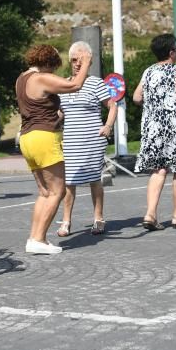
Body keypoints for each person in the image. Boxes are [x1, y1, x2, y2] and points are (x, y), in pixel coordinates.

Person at [15, 44, 91, 254]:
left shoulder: (21, 78)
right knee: (57, 191)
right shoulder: (39, 77)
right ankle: (39, 239)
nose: (53, 73)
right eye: (53, 68)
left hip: (28, 138)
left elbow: (36, 105)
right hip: (44, 138)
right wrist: (85, 62)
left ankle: (34, 238)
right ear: (47, 63)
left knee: (44, 192)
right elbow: (75, 85)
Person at [133, 33, 176, 231]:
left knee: (158, 170)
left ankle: (150, 213)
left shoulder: (148, 71)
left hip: (153, 127)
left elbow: (136, 97)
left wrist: (153, 104)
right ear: (171, 52)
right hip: (174, 126)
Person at [57, 41, 118, 236]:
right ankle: (66, 221)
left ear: (88, 62)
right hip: (71, 141)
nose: (77, 64)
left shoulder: (95, 83)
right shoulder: (65, 84)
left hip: (92, 139)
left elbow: (112, 105)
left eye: (81, 60)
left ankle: (98, 218)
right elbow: (60, 113)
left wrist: (108, 126)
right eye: (74, 60)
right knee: (69, 181)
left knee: (94, 179)